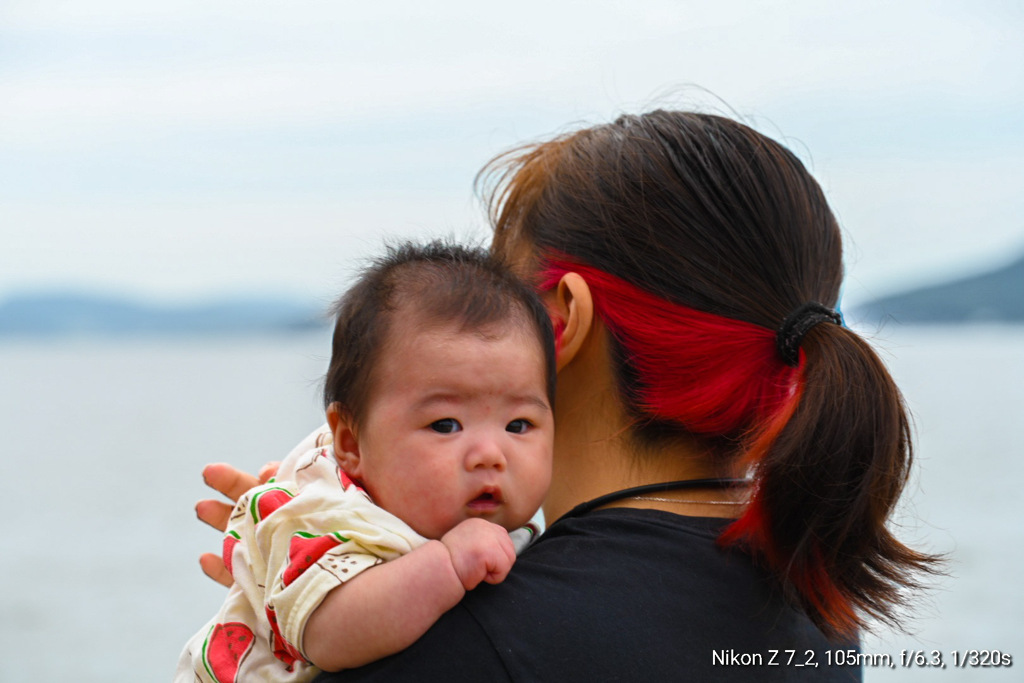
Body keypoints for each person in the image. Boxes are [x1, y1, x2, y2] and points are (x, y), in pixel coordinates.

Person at [196, 110, 938, 681]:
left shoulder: (471, 646)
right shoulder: (818, 601)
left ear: (561, 322)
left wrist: (291, 627)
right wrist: (354, 552)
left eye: (500, 293)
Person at [178, 241, 556, 682]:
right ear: (351, 443)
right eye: (446, 425)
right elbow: (328, 636)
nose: (491, 455)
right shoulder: (331, 519)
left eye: (519, 425)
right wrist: (448, 565)